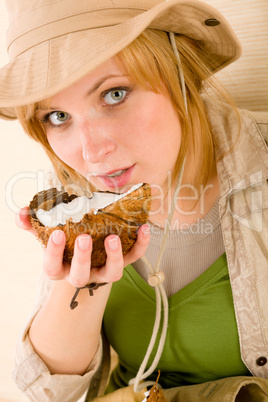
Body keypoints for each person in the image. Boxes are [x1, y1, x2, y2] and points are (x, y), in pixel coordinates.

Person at [1, 0, 268, 401]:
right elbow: (53, 390)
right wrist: (78, 283)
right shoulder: (78, 207)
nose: (90, 153)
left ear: (180, 68)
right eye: (57, 116)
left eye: (114, 94)